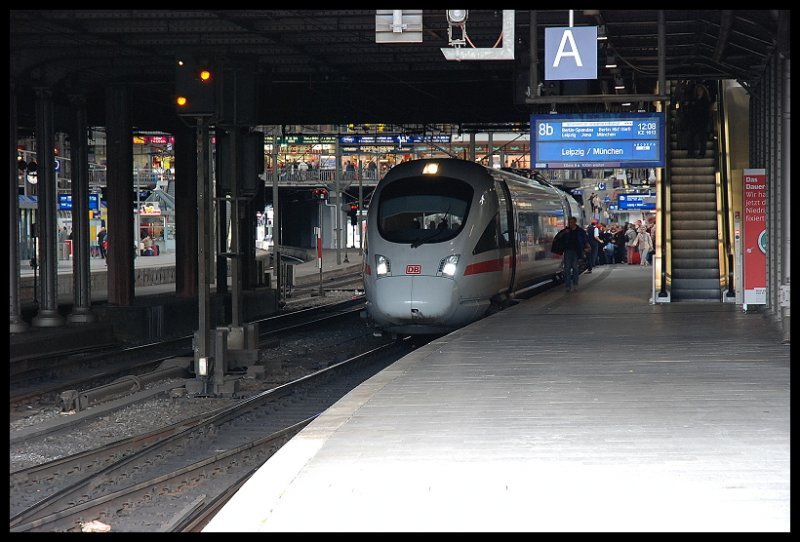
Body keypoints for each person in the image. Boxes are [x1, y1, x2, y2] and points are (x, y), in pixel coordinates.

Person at [555, 216, 590, 292]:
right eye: (569, 222)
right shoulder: (566, 231)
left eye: (571, 222)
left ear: (575, 222)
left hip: (577, 251)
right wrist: (564, 233)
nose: (570, 224)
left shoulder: (580, 231)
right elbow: (558, 237)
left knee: (575, 268)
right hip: (567, 251)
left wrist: (587, 246)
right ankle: (568, 286)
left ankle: (575, 284)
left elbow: (585, 239)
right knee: (567, 268)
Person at [685, 83, 712, 158]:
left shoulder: (705, 100)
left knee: (702, 138)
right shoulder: (694, 100)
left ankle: (702, 153)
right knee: (691, 137)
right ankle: (690, 153)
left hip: (702, 122)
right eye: (698, 90)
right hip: (694, 121)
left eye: (700, 90)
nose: (699, 92)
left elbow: (706, 112)